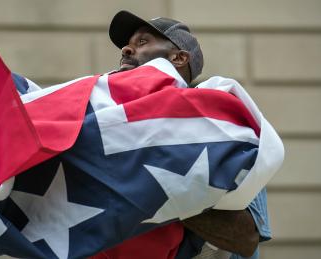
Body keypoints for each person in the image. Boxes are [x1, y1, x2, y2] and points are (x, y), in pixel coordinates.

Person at [88, 10, 271, 259]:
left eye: (142, 42)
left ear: (179, 57)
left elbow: (246, 238)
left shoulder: (222, 127)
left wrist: (155, 181)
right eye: (126, 46)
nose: (126, 50)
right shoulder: (109, 123)